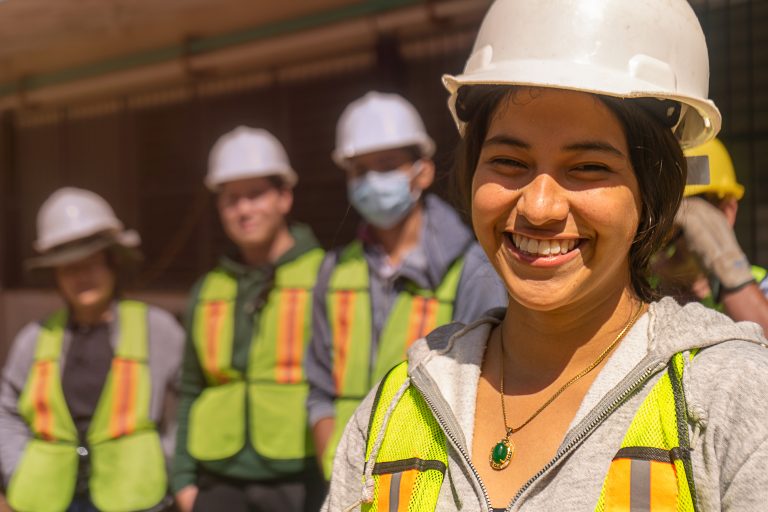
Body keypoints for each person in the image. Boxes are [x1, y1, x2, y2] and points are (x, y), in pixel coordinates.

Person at [324, 1, 768, 511]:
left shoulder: (731, 398)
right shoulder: (398, 404)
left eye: (587, 167)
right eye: (509, 162)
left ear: (651, 193)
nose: (538, 207)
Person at [305, 91, 507, 477]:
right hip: (344, 481)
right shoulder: (334, 271)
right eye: (359, 170)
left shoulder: (472, 270)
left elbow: (483, 399)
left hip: (427, 484)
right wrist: (335, 465)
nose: (372, 181)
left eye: (386, 165)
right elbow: (318, 389)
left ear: (424, 171)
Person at [0, 187, 183, 512]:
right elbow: (6, 410)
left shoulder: (158, 329)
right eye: (69, 267)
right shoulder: (34, 338)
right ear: (54, 274)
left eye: (92, 263)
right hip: (48, 500)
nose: (82, 276)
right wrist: (17, 466)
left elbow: (191, 399)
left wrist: (171, 462)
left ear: (113, 263)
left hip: (134, 498)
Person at [172, 127, 326, 512]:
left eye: (255, 195)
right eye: (231, 199)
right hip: (216, 481)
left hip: (300, 478)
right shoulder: (206, 289)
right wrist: (183, 480)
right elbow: (190, 388)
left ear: (284, 197)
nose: (243, 210)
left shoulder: (327, 276)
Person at [651, 137, 768, 332]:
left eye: (690, 207)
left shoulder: (761, 285)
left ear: (726, 213)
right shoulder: (632, 289)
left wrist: (728, 270)